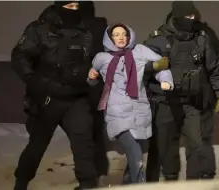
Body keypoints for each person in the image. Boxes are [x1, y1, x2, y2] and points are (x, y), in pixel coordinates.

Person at [11, 1, 99, 189]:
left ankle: (87, 184)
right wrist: (34, 81)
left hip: (77, 96)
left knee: (83, 141)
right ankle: (21, 182)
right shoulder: (40, 28)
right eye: (69, 6)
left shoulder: (87, 30)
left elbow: (95, 58)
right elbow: (20, 55)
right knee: (37, 143)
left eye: (77, 6)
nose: (74, 11)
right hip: (48, 96)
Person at [144, 1, 219, 181]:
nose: (191, 20)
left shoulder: (201, 39)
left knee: (198, 144)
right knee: (166, 146)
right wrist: (153, 66)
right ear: (177, 16)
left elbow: (215, 69)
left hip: (192, 102)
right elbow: (139, 67)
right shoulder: (158, 39)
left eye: (193, 16)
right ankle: (170, 180)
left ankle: (195, 182)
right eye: (187, 17)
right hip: (166, 101)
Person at [88, 22, 173, 184]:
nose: (120, 37)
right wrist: (91, 77)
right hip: (116, 111)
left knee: (136, 154)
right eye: (116, 34)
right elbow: (92, 81)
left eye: (123, 34)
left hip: (139, 110)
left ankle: (127, 184)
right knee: (134, 152)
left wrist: (165, 80)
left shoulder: (139, 51)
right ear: (109, 38)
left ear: (129, 36)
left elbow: (162, 66)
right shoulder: (102, 58)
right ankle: (139, 186)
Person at [79, 1, 110, 185]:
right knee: (95, 130)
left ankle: (92, 174)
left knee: (85, 133)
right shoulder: (102, 30)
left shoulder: (84, 30)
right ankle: (99, 169)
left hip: (85, 86)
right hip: (99, 87)